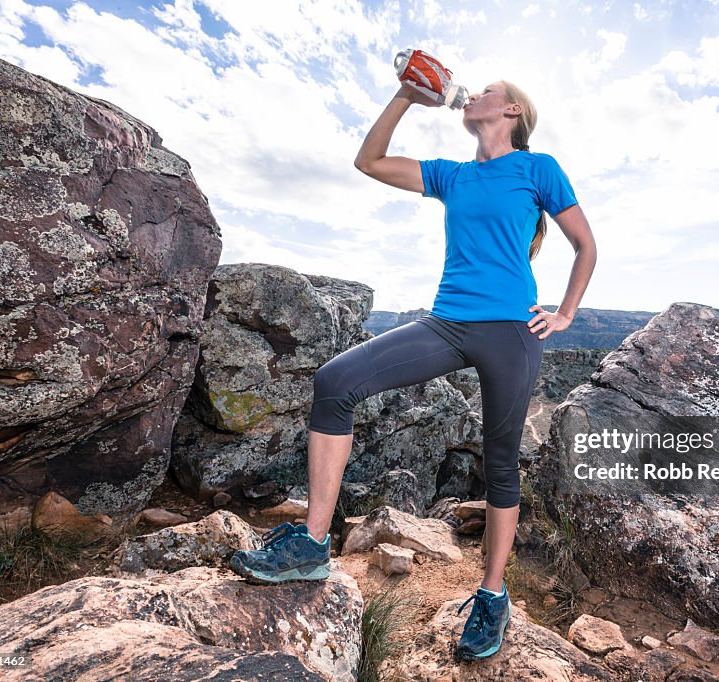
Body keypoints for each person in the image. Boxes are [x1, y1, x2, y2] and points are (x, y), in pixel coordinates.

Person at [230, 78, 598, 661]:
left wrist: (566, 314)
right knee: (335, 382)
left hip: (512, 334)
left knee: (500, 463)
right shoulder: (453, 175)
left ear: (511, 110)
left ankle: (492, 594)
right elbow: (368, 161)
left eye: (488, 90)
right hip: (446, 324)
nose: (470, 93)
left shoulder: (539, 168)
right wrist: (407, 96)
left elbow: (586, 244)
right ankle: (312, 544)